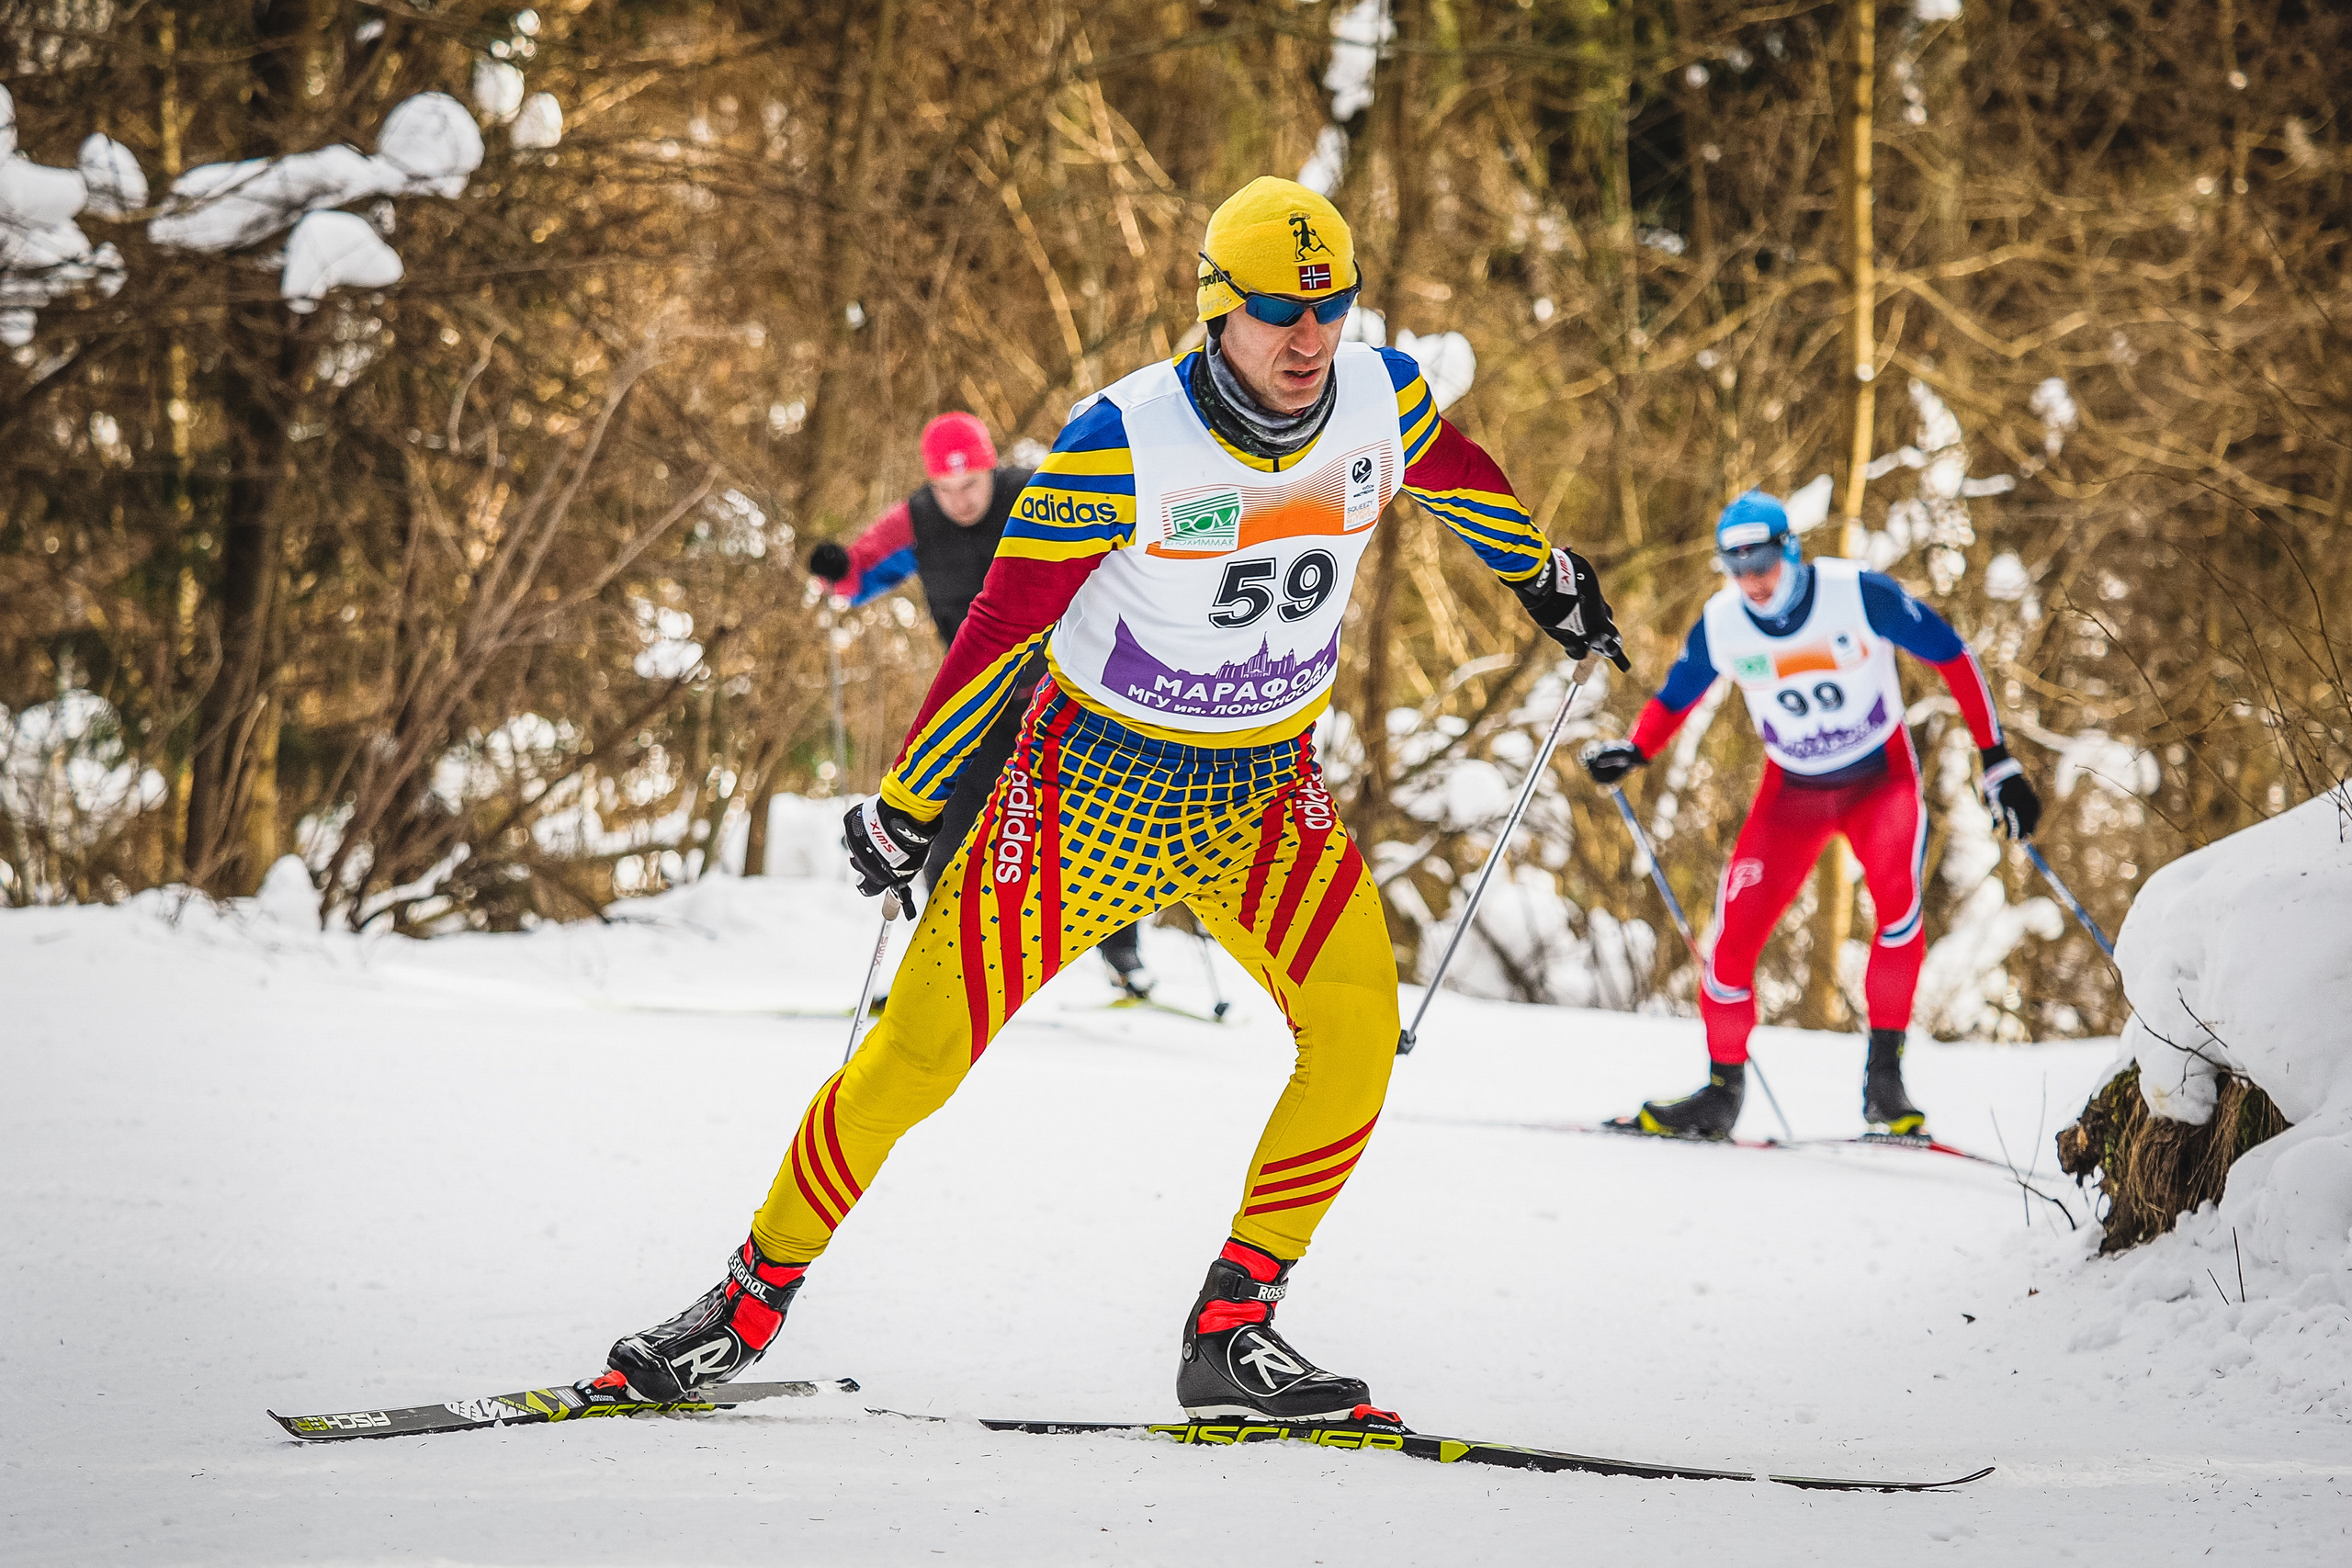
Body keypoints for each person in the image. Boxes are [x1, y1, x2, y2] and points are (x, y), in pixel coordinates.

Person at [603, 175, 1624, 1420]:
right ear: (1215, 309)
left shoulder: (1380, 393)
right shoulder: (1121, 442)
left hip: (1265, 791)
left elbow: (1459, 472)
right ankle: (743, 1303)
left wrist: (1548, 576)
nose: (1310, 339)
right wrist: (911, 803)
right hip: (1089, 790)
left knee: (1358, 1028)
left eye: (1332, 308)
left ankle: (1234, 1324)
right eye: (1278, 313)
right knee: (914, 1057)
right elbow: (1000, 628)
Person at [1582, 491, 2042, 1139]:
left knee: (1899, 911)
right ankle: (1722, 1090)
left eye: (1763, 562)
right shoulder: (1723, 622)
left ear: (1790, 550)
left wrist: (1998, 761)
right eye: (1735, 567)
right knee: (1731, 943)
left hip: (1878, 780)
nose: (1752, 581)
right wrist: (1635, 750)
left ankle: (1885, 1079)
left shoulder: (1857, 594)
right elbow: (1677, 693)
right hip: (1791, 792)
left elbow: (1952, 655)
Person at [808, 413, 1152, 997]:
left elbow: (1112, 546)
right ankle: (933, 966)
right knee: (949, 826)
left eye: (970, 484)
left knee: (1104, 819)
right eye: (946, 488)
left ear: (992, 467)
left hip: (1066, 688)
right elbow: (858, 575)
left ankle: (1125, 958)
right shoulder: (917, 520)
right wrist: (836, 570)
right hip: (979, 701)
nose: (960, 499)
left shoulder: (1040, 497)